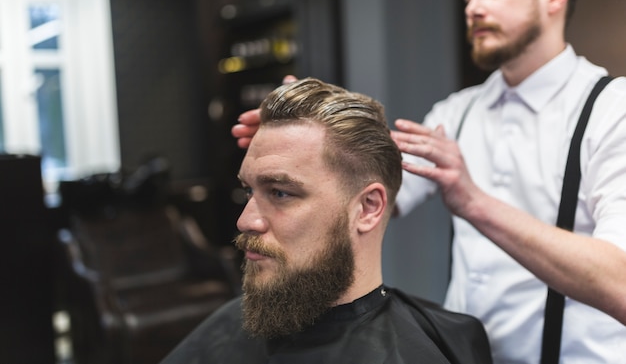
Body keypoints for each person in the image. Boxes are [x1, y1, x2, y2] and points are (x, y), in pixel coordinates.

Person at [231, 0, 626, 362]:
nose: (474, 7)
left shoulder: (611, 110)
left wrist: (475, 204)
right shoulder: (457, 113)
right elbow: (366, 191)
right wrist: (302, 145)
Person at [160, 78, 492, 364]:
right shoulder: (230, 323)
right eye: (249, 190)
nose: (246, 221)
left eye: (279, 193)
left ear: (367, 208)